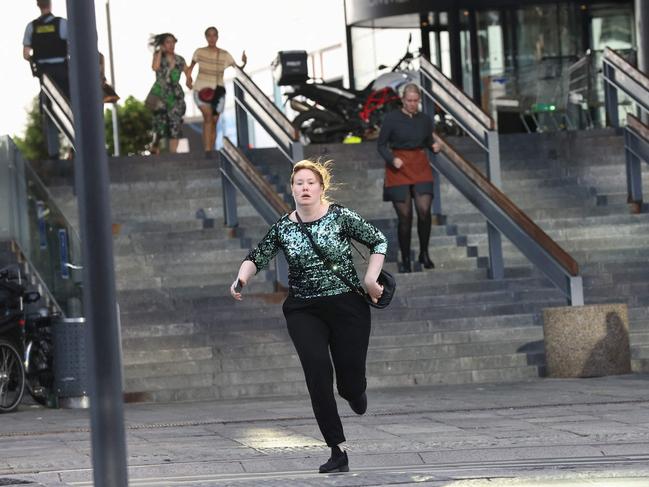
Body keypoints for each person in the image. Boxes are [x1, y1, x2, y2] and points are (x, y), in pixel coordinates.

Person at [230, 159, 387, 473]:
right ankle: (336, 449)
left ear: (321, 188)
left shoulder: (341, 217)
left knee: (348, 382)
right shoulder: (284, 227)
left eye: (310, 183)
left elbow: (378, 240)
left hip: (347, 308)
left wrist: (371, 279)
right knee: (317, 373)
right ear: (292, 189)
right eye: (299, 183)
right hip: (304, 309)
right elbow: (256, 256)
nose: (304, 187)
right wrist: (241, 279)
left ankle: (354, 391)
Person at [377, 83, 441, 273]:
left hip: (420, 164)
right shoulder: (391, 119)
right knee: (405, 217)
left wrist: (435, 146)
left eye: (416, 101)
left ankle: (424, 253)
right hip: (398, 166)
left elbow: (428, 140)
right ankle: (405, 259)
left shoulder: (425, 119)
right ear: (403, 100)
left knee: (424, 211)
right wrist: (392, 158)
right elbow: (381, 145)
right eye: (410, 100)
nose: (413, 104)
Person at [186, 26, 246, 157]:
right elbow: (190, 68)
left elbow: (238, 68)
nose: (212, 38)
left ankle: (210, 149)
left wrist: (244, 62)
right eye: (209, 35)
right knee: (207, 117)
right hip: (200, 89)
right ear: (206, 37)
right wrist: (188, 79)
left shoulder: (224, 54)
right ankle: (207, 150)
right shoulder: (199, 52)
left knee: (214, 121)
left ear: (217, 37)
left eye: (214, 35)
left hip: (218, 91)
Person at [22, 0, 68, 159]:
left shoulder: (31, 27)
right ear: (50, 4)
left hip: (44, 74)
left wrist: (37, 60)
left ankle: (53, 153)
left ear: (37, 5)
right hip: (62, 72)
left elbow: (26, 54)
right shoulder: (62, 24)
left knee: (48, 110)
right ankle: (74, 150)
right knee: (69, 107)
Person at [150, 33, 189, 154]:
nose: (171, 45)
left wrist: (190, 81)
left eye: (173, 42)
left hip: (175, 95)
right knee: (160, 126)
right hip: (160, 94)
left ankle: (174, 156)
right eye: (168, 42)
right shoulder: (158, 56)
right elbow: (155, 68)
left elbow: (188, 74)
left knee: (175, 125)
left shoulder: (180, 59)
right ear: (162, 44)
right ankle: (155, 145)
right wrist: (159, 52)